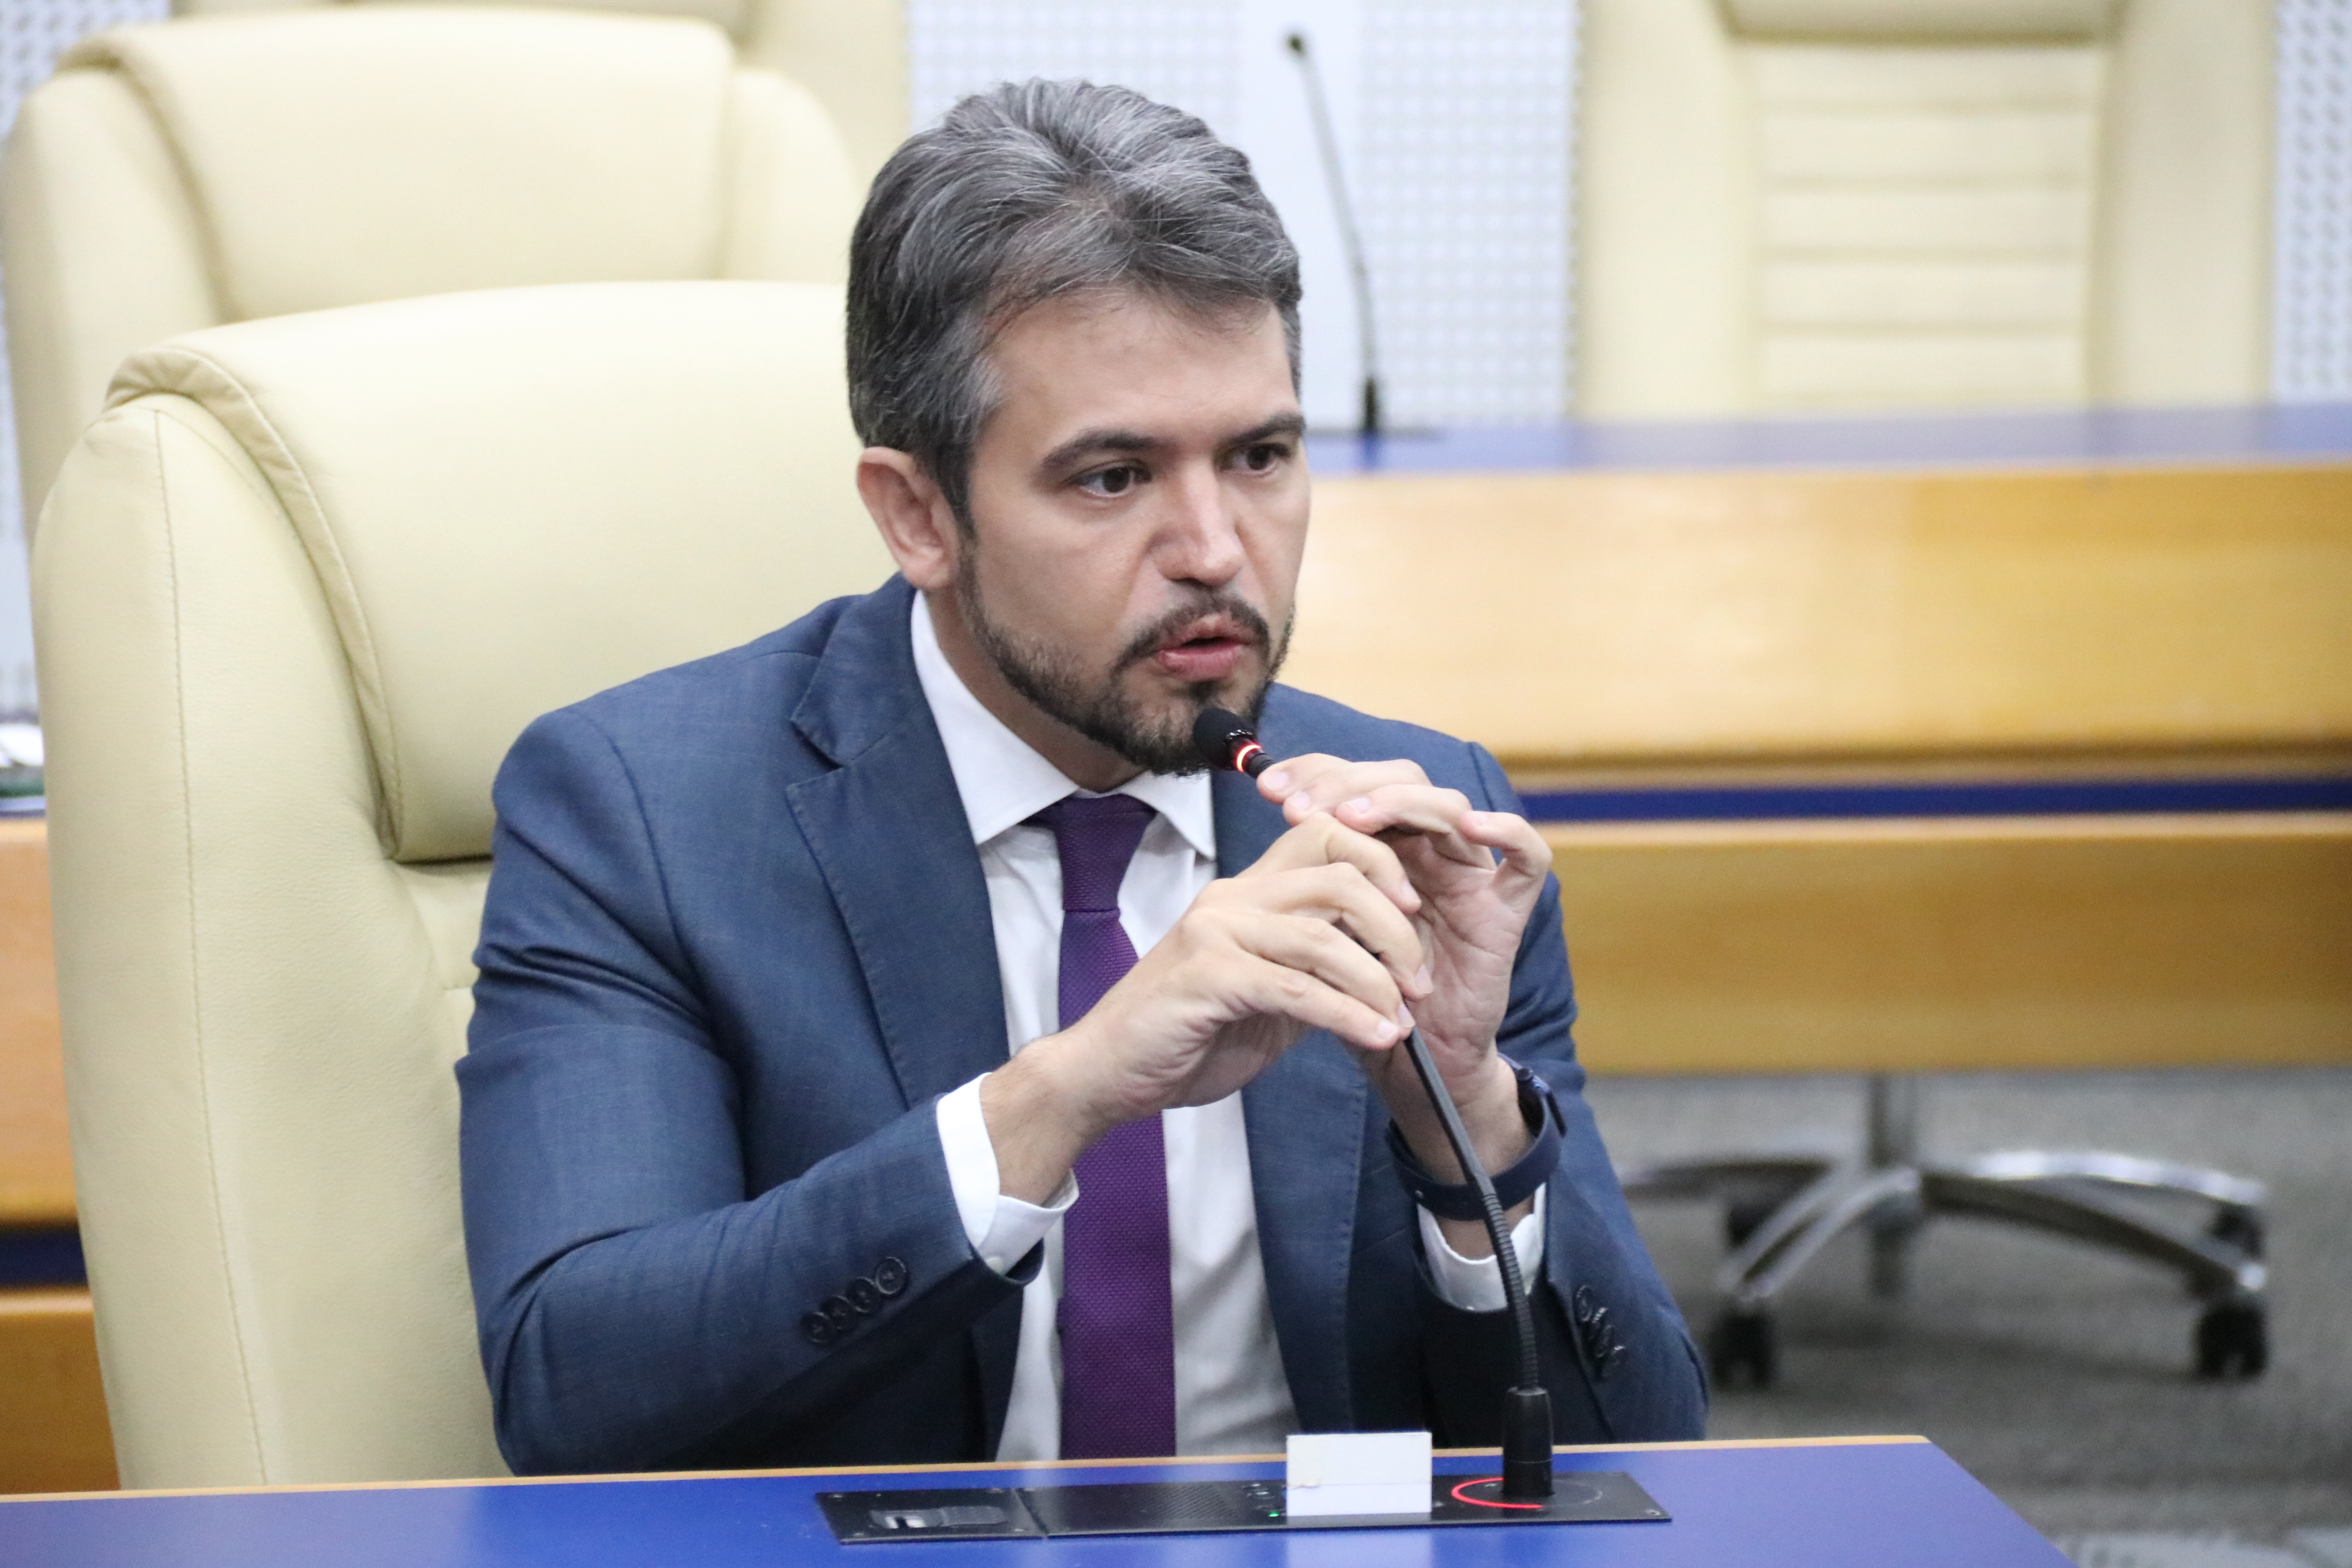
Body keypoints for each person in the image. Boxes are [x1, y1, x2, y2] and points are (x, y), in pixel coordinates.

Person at [458, 79, 1705, 1476]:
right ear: (918, 515)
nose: (1215, 550)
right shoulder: (642, 813)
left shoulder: (1415, 830)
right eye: (1114, 477)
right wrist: (1064, 1094)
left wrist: (1462, 1112)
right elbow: (577, 1389)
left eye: (1260, 456)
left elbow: (1644, 1455)